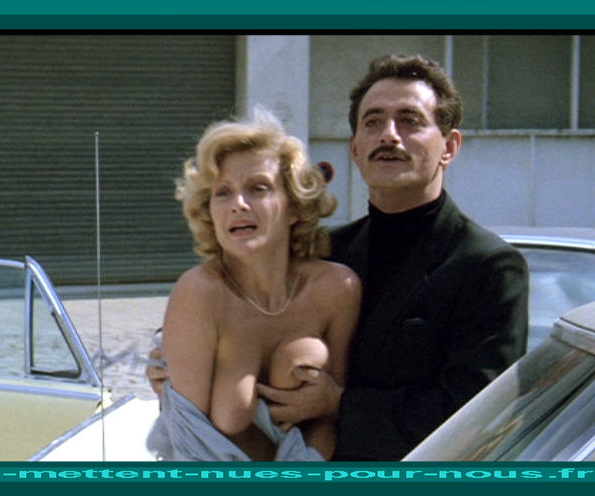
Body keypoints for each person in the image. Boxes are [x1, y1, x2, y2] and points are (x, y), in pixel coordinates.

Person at [148, 54, 528, 461]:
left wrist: (339, 404)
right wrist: (178, 364)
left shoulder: (487, 266)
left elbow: (481, 417)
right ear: (354, 148)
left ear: (449, 147)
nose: (389, 135)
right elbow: (237, 309)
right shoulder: (325, 252)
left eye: (410, 121)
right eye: (373, 122)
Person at [149, 108, 361, 461]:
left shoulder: (337, 288)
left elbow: (328, 417)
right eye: (223, 193)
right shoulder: (199, 293)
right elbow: (191, 445)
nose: (239, 205)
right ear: (209, 211)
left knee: (305, 354)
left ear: (295, 207)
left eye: (258, 188)